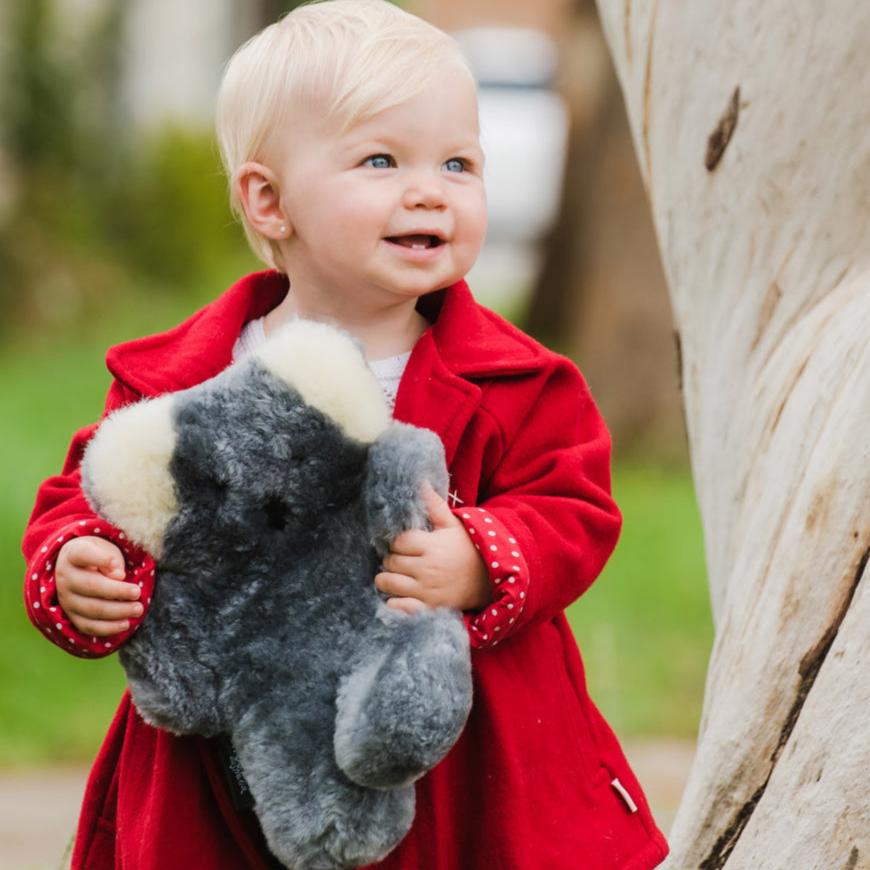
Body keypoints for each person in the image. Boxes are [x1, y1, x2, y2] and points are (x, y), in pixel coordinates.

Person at [22, 1, 669, 867]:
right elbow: (93, 494)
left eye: (458, 162)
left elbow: (573, 504)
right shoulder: (180, 383)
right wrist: (84, 569)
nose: (429, 189)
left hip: (456, 759)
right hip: (228, 763)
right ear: (269, 199)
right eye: (380, 160)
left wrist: (483, 558)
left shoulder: (516, 381)